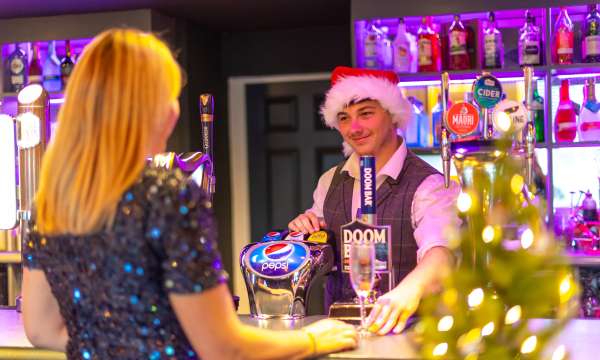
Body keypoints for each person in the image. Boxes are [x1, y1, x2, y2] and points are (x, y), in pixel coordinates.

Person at [21, 29, 357, 359]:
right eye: (168, 95)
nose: (174, 109)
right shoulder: (166, 194)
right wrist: (312, 340)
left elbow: (41, 331)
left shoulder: (52, 203)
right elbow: (223, 347)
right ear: (150, 109)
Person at [289, 66, 461, 336]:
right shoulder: (330, 181)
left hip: (411, 336)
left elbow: (441, 253)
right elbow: (316, 246)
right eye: (344, 118)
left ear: (392, 115)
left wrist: (408, 292)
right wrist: (304, 232)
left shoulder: (429, 184)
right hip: (340, 338)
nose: (354, 128)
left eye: (366, 114)